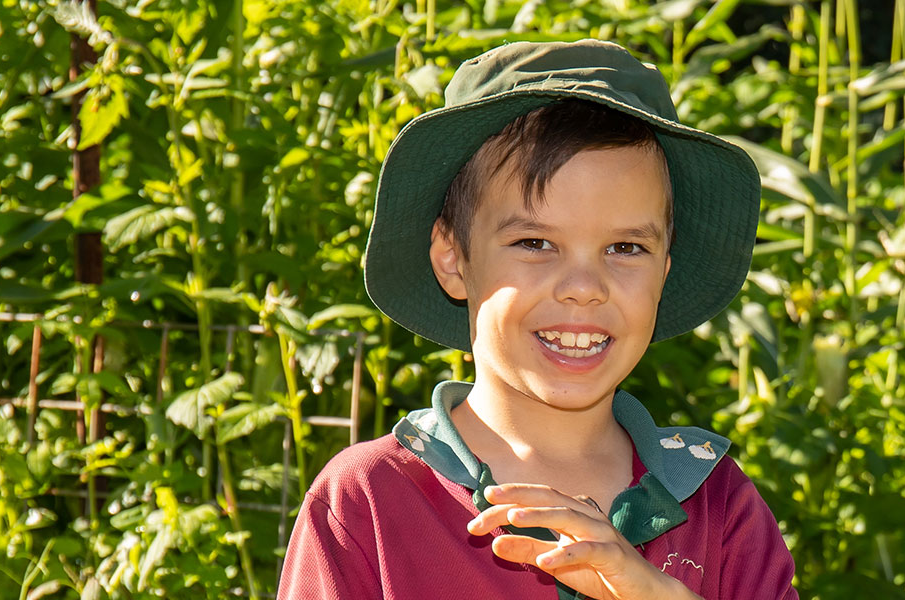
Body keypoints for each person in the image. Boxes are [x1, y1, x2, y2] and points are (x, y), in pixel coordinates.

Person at [277, 40, 796, 600]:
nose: (583, 288)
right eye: (535, 242)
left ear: (665, 270)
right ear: (453, 259)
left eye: (625, 248)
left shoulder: (719, 505)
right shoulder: (368, 501)